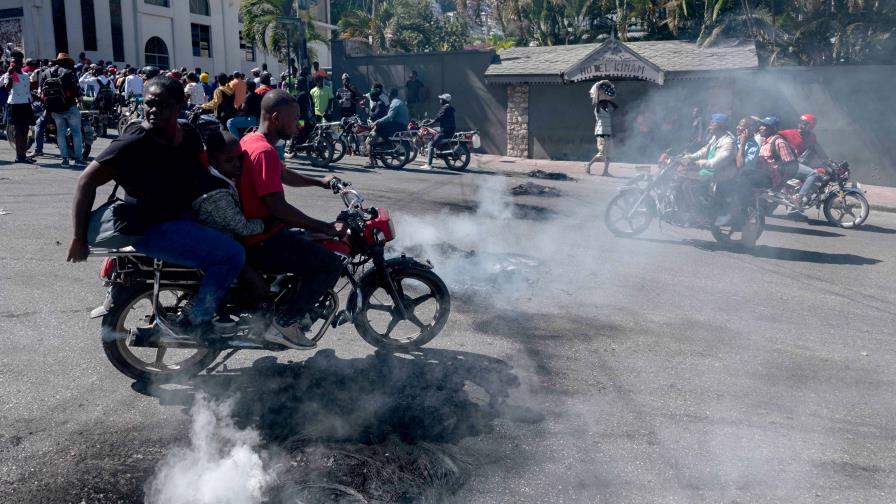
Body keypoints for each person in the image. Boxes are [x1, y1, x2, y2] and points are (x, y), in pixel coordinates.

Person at [67, 76, 245, 336]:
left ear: (179, 106)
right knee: (232, 255)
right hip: (150, 226)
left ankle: (227, 303)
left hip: (184, 217)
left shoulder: (189, 135)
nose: (153, 110)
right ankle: (195, 321)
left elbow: (204, 173)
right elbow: (86, 181)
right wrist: (78, 237)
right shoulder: (135, 142)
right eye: (149, 104)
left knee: (242, 241)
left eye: (162, 105)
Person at [237, 89, 344, 349]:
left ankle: (279, 303)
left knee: (309, 243)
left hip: (257, 233)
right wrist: (327, 227)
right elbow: (279, 209)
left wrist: (320, 182)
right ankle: (286, 322)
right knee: (330, 265)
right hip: (262, 239)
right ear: (276, 118)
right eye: (295, 119)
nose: (299, 125)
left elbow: (282, 174)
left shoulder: (252, 139)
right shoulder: (264, 152)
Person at [41, 53, 84, 166]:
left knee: (60, 133)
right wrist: (79, 99)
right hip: (70, 107)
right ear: (66, 62)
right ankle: (78, 159)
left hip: (54, 109)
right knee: (76, 133)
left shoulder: (46, 73)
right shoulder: (69, 73)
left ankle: (64, 159)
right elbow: (77, 91)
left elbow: (41, 91)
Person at [780, 113, 829, 208]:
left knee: (819, 171)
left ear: (811, 126)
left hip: (795, 163)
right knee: (813, 174)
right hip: (786, 163)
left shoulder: (811, 137)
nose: (801, 125)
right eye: (800, 122)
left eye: (805, 123)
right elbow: (773, 134)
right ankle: (799, 197)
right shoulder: (790, 133)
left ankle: (795, 203)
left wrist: (828, 161)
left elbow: (817, 149)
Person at [1, 49, 35, 164]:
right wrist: (10, 75)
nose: (13, 64)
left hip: (25, 104)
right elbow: (7, 88)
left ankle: (23, 154)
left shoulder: (25, 75)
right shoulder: (10, 74)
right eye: (12, 62)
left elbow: (27, 90)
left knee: (25, 130)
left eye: (16, 62)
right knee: (17, 131)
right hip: (15, 104)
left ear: (21, 63)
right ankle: (19, 156)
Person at [369, 88, 408, 168]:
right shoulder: (400, 101)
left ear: (391, 95)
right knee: (382, 125)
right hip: (401, 124)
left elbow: (389, 117)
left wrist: (377, 121)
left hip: (398, 125)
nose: (388, 96)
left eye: (389, 95)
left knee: (379, 126)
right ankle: (383, 142)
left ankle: (381, 143)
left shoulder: (395, 103)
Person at [585, 80, 617, 176]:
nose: (606, 103)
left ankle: (605, 171)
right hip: (601, 133)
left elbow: (613, 102)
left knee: (609, 154)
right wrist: (599, 86)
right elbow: (597, 98)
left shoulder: (606, 109)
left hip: (608, 132)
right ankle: (588, 165)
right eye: (605, 102)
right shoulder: (598, 107)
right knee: (602, 154)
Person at [421, 93, 455, 170]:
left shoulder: (444, 108)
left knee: (431, 144)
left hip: (445, 131)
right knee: (435, 130)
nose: (439, 100)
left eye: (441, 99)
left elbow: (438, 118)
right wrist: (430, 120)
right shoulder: (449, 108)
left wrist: (428, 123)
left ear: (444, 100)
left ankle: (429, 164)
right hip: (449, 130)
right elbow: (439, 118)